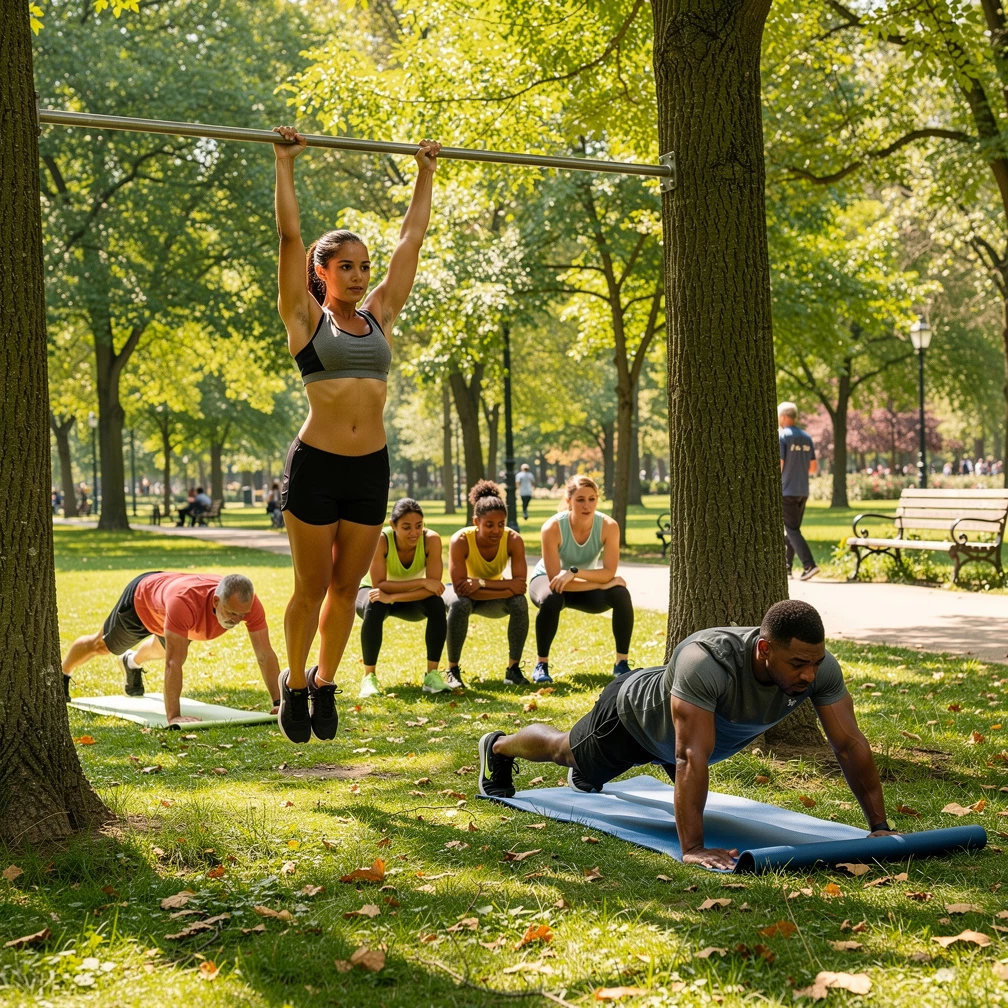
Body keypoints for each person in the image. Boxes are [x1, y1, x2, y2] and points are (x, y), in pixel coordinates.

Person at [478, 599, 898, 870]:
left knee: (592, 778)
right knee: (565, 751)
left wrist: (879, 826)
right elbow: (689, 758)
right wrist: (693, 847)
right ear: (764, 650)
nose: (809, 674)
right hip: (632, 719)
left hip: (678, 736)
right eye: (798, 664)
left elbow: (848, 743)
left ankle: (590, 779)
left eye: (815, 662)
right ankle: (498, 745)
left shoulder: (819, 670)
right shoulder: (707, 660)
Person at [271, 124, 441, 744]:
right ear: (322, 271)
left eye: (364, 267)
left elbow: (412, 239)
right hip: (316, 466)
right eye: (347, 267)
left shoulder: (380, 316)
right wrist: (285, 163)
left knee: (347, 587)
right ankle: (292, 683)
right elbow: (289, 235)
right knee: (310, 587)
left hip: (370, 468)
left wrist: (425, 171)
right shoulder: (304, 317)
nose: (360, 275)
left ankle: (324, 682)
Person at [61, 572, 281, 726]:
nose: (238, 620)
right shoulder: (185, 603)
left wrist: (280, 703)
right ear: (215, 601)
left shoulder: (248, 605)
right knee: (101, 646)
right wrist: (174, 716)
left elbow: (264, 653)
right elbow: (174, 663)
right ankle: (62, 673)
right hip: (142, 603)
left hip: (171, 611)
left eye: (243, 615)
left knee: (162, 650)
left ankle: (132, 663)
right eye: (232, 613)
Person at [529, 475, 633, 684]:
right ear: (568, 501)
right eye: (580, 500)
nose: (587, 505)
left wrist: (575, 572)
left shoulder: (608, 526)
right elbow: (555, 580)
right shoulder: (552, 527)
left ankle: (621, 664)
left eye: (592, 499)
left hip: (580, 581)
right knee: (552, 597)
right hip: (548, 582)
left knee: (620, 593)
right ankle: (541, 664)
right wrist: (603, 582)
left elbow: (609, 571)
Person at [355, 498, 451, 698]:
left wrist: (395, 596)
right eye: (406, 527)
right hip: (371, 591)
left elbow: (435, 588)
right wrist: (422, 583)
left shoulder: (431, 540)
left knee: (436, 603)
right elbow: (379, 584)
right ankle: (369, 677)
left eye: (418, 526)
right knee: (376, 602)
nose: (414, 532)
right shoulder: (381, 540)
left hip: (405, 596)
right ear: (393, 525)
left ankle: (432, 675)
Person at [442, 481, 529, 688]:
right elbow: (460, 587)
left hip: (484, 594)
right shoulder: (461, 540)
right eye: (489, 525)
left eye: (501, 524)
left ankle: (513, 670)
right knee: (460, 603)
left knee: (519, 602)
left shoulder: (513, 539)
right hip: (459, 594)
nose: (496, 530)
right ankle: (452, 670)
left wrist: (480, 583)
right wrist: (505, 587)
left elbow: (519, 586)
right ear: (476, 522)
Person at [777, 402, 818, 580]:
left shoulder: (782, 436)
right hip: (803, 490)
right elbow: (813, 467)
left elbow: (780, 464)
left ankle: (809, 564)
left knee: (792, 529)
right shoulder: (807, 437)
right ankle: (786, 567)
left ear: (784, 417)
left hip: (787, 490)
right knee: (793, 529)